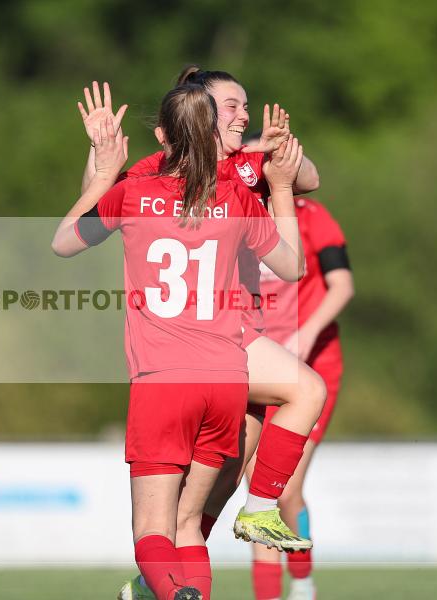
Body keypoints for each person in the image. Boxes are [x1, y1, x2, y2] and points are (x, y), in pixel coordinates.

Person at [55, 83, 305, 600]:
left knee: (153, 530)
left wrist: (103, 173)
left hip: (164, 382)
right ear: (212, 133)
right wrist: (280, 189)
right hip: (227, 380)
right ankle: (247, 524)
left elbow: (64, 243)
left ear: (162, 137)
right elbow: (293, 267)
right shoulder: (237, 197)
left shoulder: (131, 193)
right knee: (189, 525)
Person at [248, 197, 354, 600]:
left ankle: (303, 580)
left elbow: (343, 285)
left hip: (313, 367)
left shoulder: (311, 216)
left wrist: (307, 332)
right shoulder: (238, 215)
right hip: (260, 365)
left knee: (286, 489)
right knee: (259, 495)